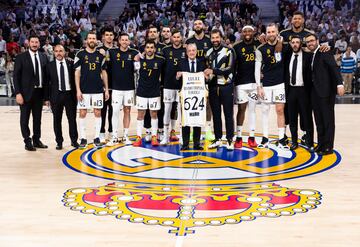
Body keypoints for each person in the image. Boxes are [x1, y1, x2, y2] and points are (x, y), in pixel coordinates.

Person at [305, 33, 345, 155]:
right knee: (319, 121)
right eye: (308, 42)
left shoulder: (324, 51)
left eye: (312, 41)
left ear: (317, 41)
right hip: (315, 93)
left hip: (326, 92)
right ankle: (321, 144)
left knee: (327, 120)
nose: (310, 43)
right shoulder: (313, 54)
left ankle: (328, 147)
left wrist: (340, 84)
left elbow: (334, 68)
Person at [74, 31, 109, 149]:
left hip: (98, 89)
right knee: (82, 112)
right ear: (86, 40)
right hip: (84, 90)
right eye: (90, 38)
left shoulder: (100, 56)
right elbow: (77, 73)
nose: (92, 40)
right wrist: (78, 90)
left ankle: (97, 137)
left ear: (96, 40)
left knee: (98, 112)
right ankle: (83, 138)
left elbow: (104, 72)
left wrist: (107, 89)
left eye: (94, 38)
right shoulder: (80, 54)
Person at [13, 35, 49, 151]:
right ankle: (27, 141)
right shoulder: (20, 57)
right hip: (25, 93)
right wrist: (18, 93)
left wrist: (46, 96)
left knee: (37, 119)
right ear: (28, 43)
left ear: (39, 44)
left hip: (39, 92)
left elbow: (47, 77)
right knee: (24, 119)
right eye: (32, 42)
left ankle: (36, 140)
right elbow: (16, 77)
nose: (34, 44)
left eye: (36, 42)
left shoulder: (44, 57)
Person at [255, 23, 288, 149]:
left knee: (280, 110)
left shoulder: (284, 47)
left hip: (280, 83)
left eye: (273, 31)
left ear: (277, 32)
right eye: (269, 32)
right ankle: (265, 138)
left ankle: (281, 139)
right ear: (266, 34)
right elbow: (257, 69)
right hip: (266, 84)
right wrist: (259, 86)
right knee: (265, 111)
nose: (271, 34)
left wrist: (281, 41)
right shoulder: (260, 49)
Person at [106, 33, 140, 146]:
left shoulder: (134, 53)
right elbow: (105, 68)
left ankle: (125, 136)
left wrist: (137, 61)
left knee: (127, 111)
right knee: (115, 111)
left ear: (129, 42)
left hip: (129, 88)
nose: (125, 42)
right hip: (116, 89)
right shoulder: (112, 52)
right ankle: (114, 136)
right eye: (123, 40)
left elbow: (139, 68)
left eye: (127, 40)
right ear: (119, 41)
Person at [205, 29, 236, 150]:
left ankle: (229, 139)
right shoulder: (208, 52)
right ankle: (218, 138)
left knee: (228, 114)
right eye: (213, 38)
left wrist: (213, 71)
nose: (215, 40)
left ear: (221, 37)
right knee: (216, 115)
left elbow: (229, 68)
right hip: (213, 87)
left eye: (217, 38)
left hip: (226, 86)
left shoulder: (229, 51)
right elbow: (207, 69)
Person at [186, 19, 214, 141]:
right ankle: (192, 131)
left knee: (207, 105)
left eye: (200, 24)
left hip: (205, 76)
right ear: (193, 26)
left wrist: (210, 71)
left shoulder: (209, 40)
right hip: (191, 78)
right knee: (192, 104)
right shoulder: (189, 41)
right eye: (195, 24)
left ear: (204, 26)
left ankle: (208, 130)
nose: (197, 25)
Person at [133, 40, 165, 147]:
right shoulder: (140, 61)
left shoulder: (160, 60)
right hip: (141, 91)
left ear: (155, 49)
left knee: (154, 114)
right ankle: (138, 137)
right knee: (140, 115)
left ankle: (154, 136)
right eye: (148, 47)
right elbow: (134, 67)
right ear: (145, 49)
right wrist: (137, 58)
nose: (150, 49)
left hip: (155, 91)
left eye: (152, 47)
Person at [46, 45, 78, 150]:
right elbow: (47, 84)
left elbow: (76, 79)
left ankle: (74, 141)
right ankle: (59, 142)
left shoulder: (71, 64)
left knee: (72, 119)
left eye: (61, 51)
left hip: (70, 95)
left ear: (64, 52)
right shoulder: (49, 66)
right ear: (54, 53)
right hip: (56, 96)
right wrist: (47, 98)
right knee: (57, 120)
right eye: (56, 51)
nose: (59, 53)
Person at [232, 25, 260, 149]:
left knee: (252, 110)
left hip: (254, 83)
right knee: (241, 110)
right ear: (241, 33)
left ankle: (252, 137)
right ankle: (238, 137)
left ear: (253, 32)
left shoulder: (259, 44)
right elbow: (232, 65)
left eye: (249, 31)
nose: (247, 33)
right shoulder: (236, 47)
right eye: (245, 31)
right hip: (241, 83)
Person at [284, 36, 313, 150]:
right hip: (291, 90)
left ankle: (309, 142)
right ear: (290, 44)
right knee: (292, 118)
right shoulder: (287, 56)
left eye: (297, 42)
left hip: (304, 91)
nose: (295, 44)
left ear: (301, 44)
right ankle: (294, 141)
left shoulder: (308, 56)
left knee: (307, 118)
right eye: (293, 42)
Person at [176, 43, 207, 150]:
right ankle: (185, 144)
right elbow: (176, 80)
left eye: (193, 50)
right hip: (186, 96)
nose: (192, 52)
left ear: (196, 51)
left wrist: (206, 76)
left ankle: (197, 144)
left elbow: (206, 79)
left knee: (197, 119)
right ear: (186, 52)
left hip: (198, 97)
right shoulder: (181, 63)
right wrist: (178, 76)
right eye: (189, 51)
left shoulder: (202, 64)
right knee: (186, 120)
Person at [160, 29, 186, 145]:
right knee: (167, 110)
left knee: (181, 111)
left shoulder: (186, 50)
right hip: (168, 85)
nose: (176, 39)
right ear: (171, 38)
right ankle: (165, 136)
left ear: (181, 38)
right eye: (174, 37)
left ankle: (180, 135)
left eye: (178, 37)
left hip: (182, 86)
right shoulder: (165, 50)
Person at [97, 26, 115, 141]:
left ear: (113, 37)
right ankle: (101, 131)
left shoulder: (117, 50)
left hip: (116, 84)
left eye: (111, 35)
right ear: (103, 37)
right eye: (107, 35)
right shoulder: (99, 50)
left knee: (113, 110)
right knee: (102, 109)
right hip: (102, 84)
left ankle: (112, 131)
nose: (109, 37)